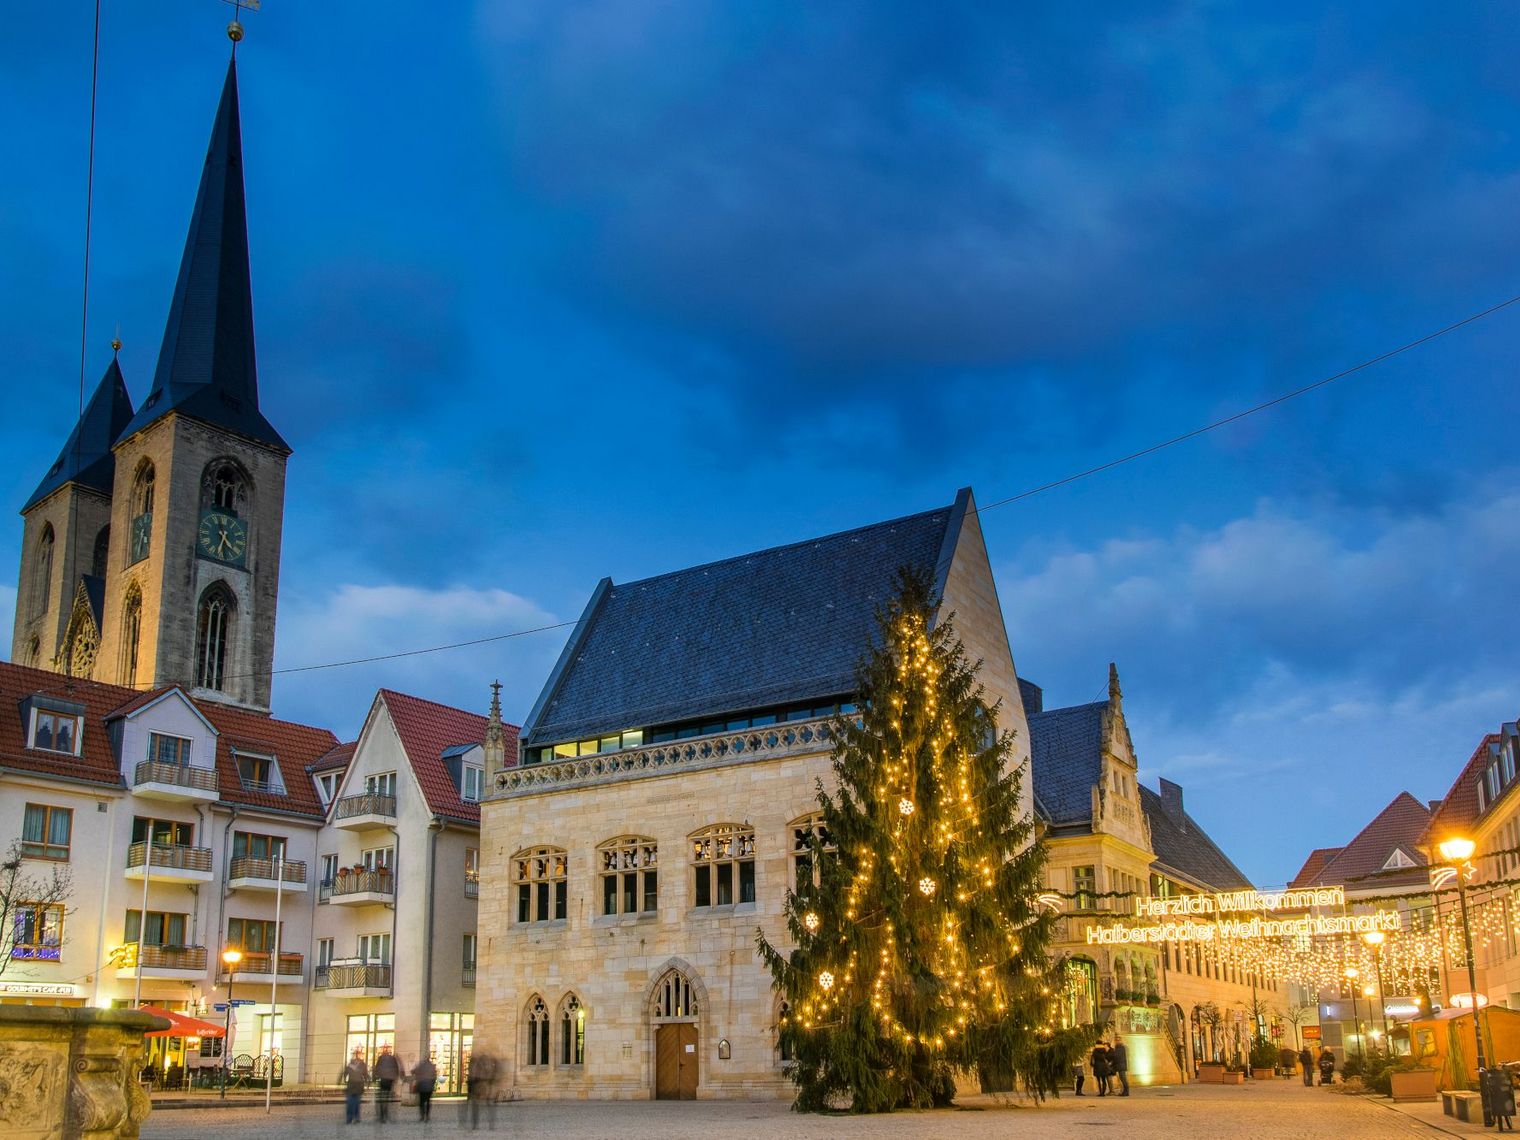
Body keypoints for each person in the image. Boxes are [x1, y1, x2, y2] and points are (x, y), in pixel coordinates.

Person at [466, 1050, 498, 1130]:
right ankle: (485, 1124)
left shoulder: (478, 1067)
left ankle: (479, 1124)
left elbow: (473, 1078)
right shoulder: (479, 1067)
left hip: (480, 1088)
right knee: (481, 1106)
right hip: (479, 1088)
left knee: (480, 1106)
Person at [340, 1047, 369, 1125]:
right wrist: (339, 1082)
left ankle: (356, 1117)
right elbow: (344, 1073)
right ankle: (350, 1118)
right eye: (355, 1055)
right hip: (351, 1086)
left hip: (358, 1086)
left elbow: (366, 1075)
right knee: (350, 1102)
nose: (356, 1057)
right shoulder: (350, 1065)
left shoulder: (362, 1065)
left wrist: (367, 1083)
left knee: (355, 1103)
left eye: (358, 1055)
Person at [374, 1044, 402, 1123]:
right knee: (387, 1097)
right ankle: (386, 1114)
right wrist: (395, 1079)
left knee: (382, 1098)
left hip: (383, 1080)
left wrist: (376, 1076)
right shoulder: (393, 1058)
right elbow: (396, 1069)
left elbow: (377, 1068)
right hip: (390, 1080)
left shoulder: (380, 1058)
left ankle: (382, 1115)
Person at [411, 1053, 438, 1123]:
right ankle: (427, 1116)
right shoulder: (432, 1066)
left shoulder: (420, 1065)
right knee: (428, 1101)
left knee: (422, 1102)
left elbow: (413, 1071)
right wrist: (433, 1083)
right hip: (429, 1086)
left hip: (422, 1085)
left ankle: (422, 1116)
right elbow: (435, 1076)